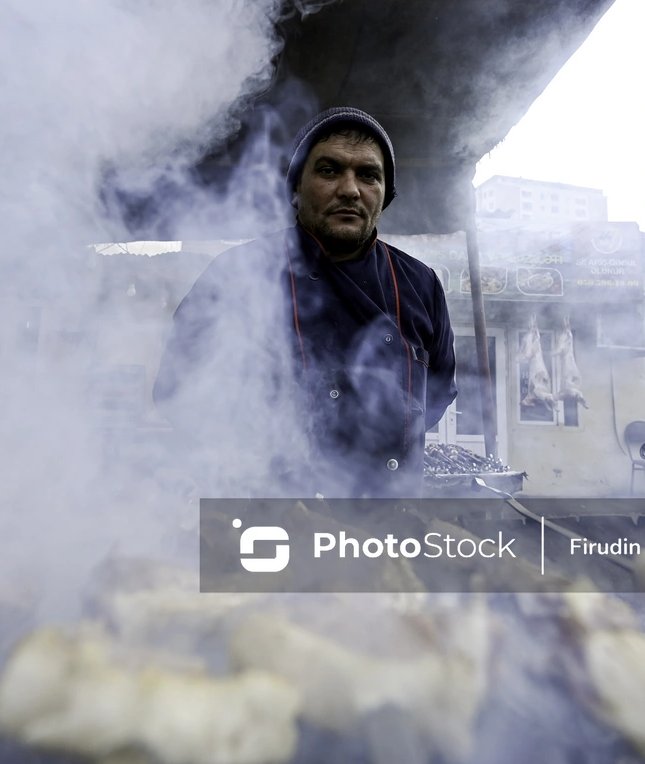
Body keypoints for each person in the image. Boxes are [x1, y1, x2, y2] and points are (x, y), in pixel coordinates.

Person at [154, 107, 457, 498]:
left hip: (387, 524)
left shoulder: (421, 284)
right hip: (268, 522)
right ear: (296, 190)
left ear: (386, 195)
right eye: (329, 170)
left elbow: (436, 398)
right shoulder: (236, 274)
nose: (350, 189)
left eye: (368, 175)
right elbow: (177, 392)